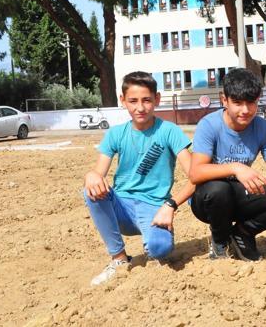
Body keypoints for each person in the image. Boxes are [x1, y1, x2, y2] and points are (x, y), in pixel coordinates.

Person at [83, 71, 193, 286]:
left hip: (154, 208)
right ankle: (119, 259)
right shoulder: (116, 133)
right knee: (91, 191)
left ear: (157, 99)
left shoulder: (169, 131)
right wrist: (91, 176)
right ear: (122, 101)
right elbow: (98, 172)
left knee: (159, 249)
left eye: (146, 100)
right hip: (121, 207)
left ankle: (151, 243)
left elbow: (195, 174)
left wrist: (170, 205)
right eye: (133, 101)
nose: (140, 108)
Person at [189, 68, 266, 261]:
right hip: (208, 199)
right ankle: (220, 242)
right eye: (237, 103)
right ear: (224, 100)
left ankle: (242, 233)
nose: (245, 110)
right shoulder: (209, 125)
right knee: (219, 190)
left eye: (251, 103)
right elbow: (196, 173)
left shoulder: (262, 127)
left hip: (240, 194)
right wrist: (236, 167)